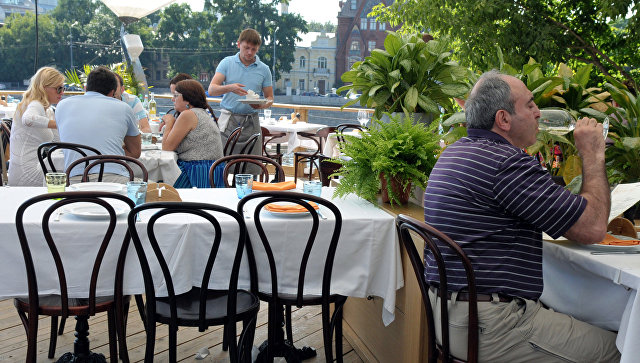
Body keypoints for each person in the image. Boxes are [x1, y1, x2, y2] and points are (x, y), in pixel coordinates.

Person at [423, 70, 618, 362]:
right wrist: (592, 153)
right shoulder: (506, 164)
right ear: (503, 119)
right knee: (624, 348)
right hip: (490, 326)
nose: (539, 112)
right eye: (530, 105)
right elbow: (592, 228)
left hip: (446, 317)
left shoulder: (455, 153)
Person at [56, 67, 141, 184]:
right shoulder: (124, 107)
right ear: (112, 92)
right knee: (161, 192)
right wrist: (111, 150)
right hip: (114, 181)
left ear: (86, 88)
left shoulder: (62, 106)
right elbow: (135, 152)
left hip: (73, 182)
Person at [208, 28, 273, 172]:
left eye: (253, 49)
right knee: (222, 165)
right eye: (246, 48)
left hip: (251, 121)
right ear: (238, 44)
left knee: (251, 167)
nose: (250, 52)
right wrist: (229, 87)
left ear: (258, 49)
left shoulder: (264, 69)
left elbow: (270, 98)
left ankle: (249, 194)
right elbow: (212, 89)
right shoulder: (227, 63)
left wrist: (260, 106)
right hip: (228, 122)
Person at [8, 66, 65, 186]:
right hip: (26, 172)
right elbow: (28, 119)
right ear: (44, 88)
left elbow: (58, 142)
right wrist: (61, 124)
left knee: (64, 168)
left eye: (63, 88)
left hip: (32, 167)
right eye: (58, 88)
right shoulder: (35, 104)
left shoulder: (47, 111)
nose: (62, 93)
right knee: (70, 175)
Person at [163, 79, 224, 188]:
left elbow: (166, 147)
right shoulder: (200, 112)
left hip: (198, 173)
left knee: (157, 185)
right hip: (212, 171)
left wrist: (169, 122)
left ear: (187, 100)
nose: (172, 99)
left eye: (176, 96)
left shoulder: (188, 115)